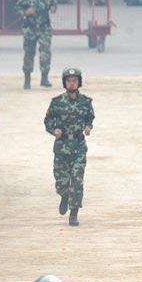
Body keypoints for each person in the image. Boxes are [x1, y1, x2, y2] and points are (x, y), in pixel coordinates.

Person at [44, 68, 94, 225]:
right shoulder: (57, 102)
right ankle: (64, 195)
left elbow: (90, 117)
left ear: (79, 82)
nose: (72, 83)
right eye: (69, 81)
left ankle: (74, 212)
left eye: (74, 81)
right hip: (62, 146)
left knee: (77, 180)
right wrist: (54, 130)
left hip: (78, 146)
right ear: (64, 83)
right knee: (61, 181)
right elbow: (48, 120)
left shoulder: (86, 102)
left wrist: (88, 127)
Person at [17, 0, 56, 89]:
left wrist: (53, 8)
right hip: (30, 28)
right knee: (29, 53)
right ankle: (27, 79)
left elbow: (54, 4)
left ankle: (44, 78)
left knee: (45, 52)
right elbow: (17, 9)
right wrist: (25, 12)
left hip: (44, 28)